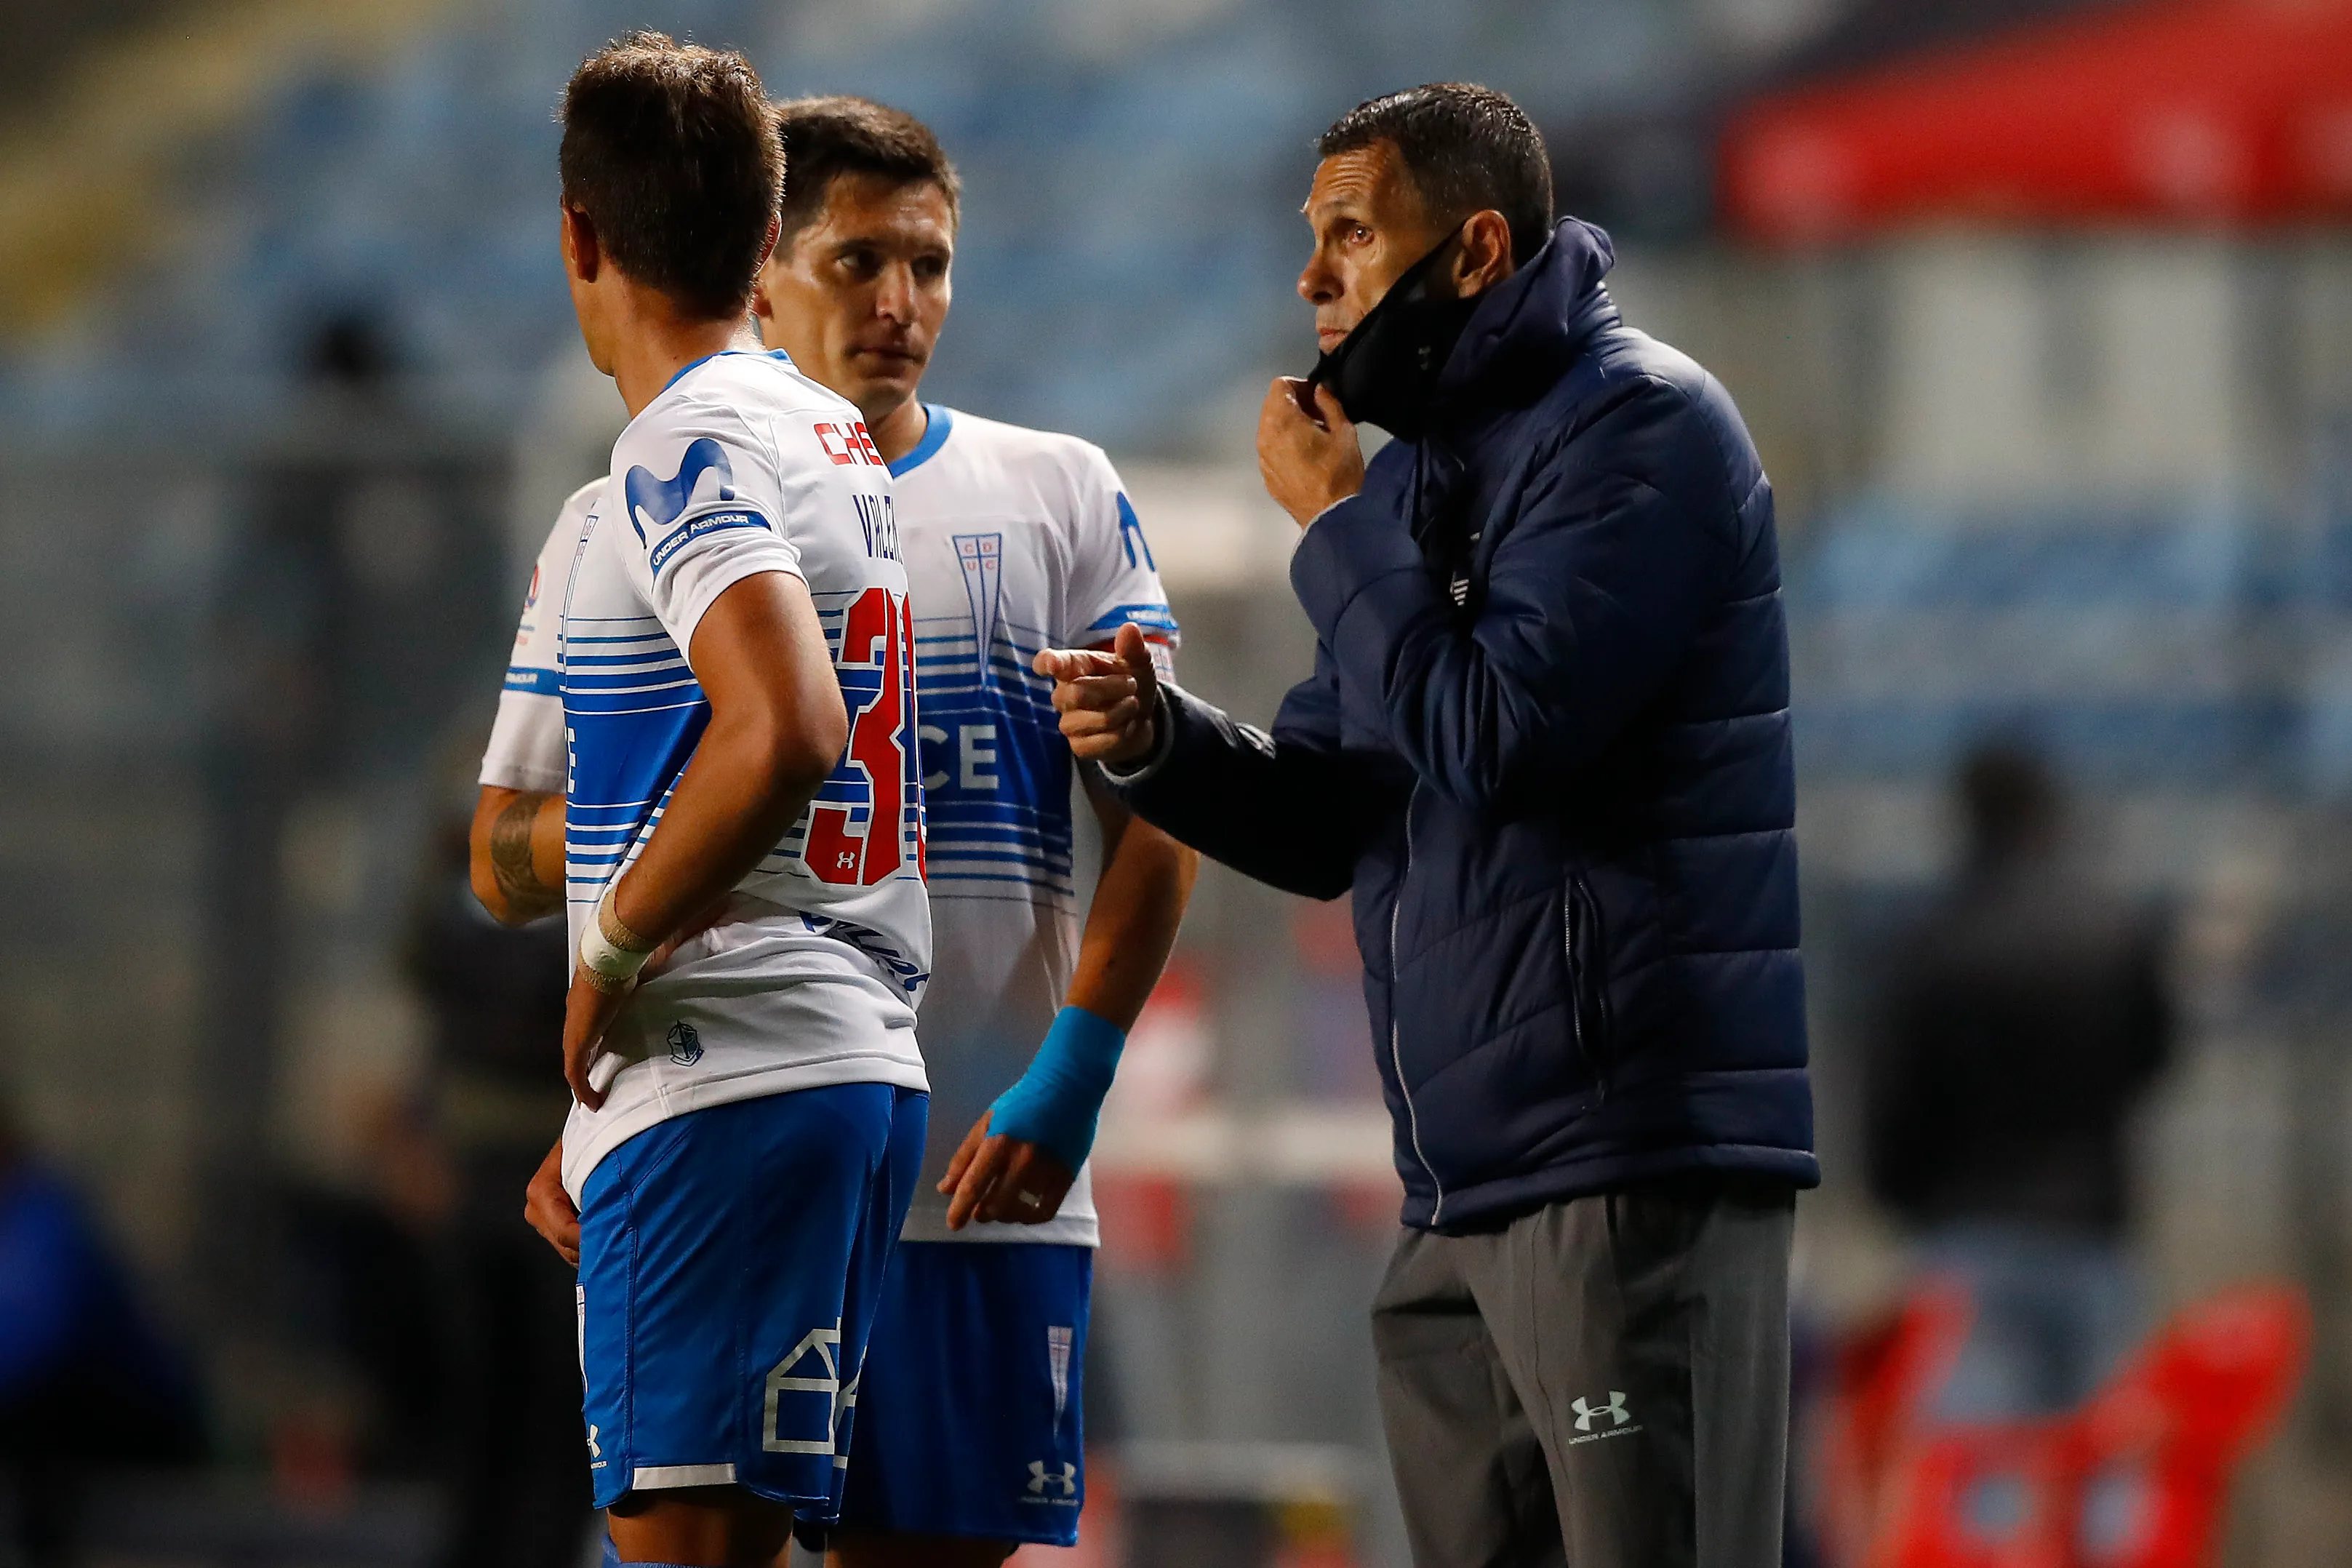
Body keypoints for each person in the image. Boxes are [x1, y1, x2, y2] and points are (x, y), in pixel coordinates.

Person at [1037, 83, 1815, 1566]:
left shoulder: (1639, 429)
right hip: (1459, 1195)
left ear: (1469, 252)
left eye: (1348, 235)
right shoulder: (1435, 483)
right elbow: (1334, 807)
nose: (1310, 281)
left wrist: (1338, 528)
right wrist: (1158, 744)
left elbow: (1493, 735)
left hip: (1617, 1180)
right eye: (1309, 239)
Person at [523, 96, 1198, 1567]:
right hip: (754, 1129)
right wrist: (607, 1103)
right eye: (859, 261)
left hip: (979, 1175)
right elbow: (626, 837)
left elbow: (1163, 818)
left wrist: (1072, 1081)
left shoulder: (1057, 494)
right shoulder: (681, 511)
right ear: (764, 265)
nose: (902, 303)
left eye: (932, 264)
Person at [470, 36, 929, 1568]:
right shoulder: (828, 441)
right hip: (818, 1063)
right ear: (763, 231)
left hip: (730, 1065)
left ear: (577, 238)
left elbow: (787, 724)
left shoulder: (690, 443)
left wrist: (609, 956)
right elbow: (504, 852)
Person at [1865, 740, 2172, 1418]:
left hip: (1965, 1228)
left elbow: (1895, 1095)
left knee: (1980, 1473)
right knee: (2101, 1461)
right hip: (2092, 1222)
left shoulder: (1931, 941)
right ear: (2048, 813)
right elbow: (2156, 1059)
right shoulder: (2115, 932)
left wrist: (1896, 1195)